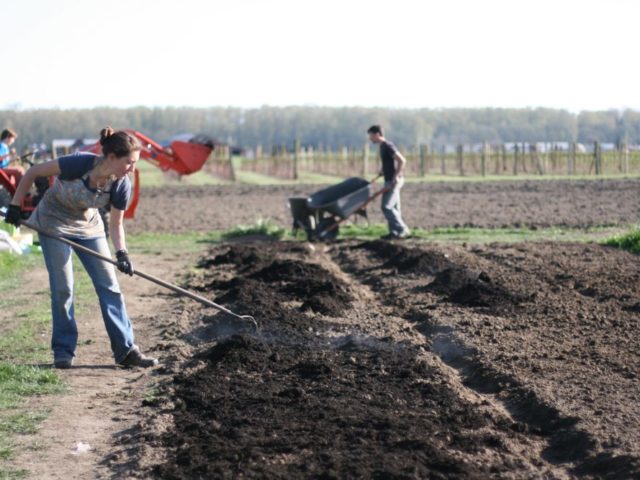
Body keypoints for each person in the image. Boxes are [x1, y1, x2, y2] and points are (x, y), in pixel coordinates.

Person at [5, 127, 158, 369]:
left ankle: (126, 350)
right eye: (129, 162)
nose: (132, 169)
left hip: (89, 226)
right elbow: (33, 171)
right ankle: (63, 351)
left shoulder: (121, 184)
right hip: (53, 221)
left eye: (135, 163)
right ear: (111, 158)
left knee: (110, 286)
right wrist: (15, 205)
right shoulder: (78, 164)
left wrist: (122, 253)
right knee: (64, 287)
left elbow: (116, 224)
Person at [367, 125, 411, 239]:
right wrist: (383, 171)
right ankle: (395, 233)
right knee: (395, 208)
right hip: (389, 179)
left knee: (386, 207)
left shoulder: (387, 145)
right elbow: (389, 162)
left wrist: (395, 176)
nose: (370, 138)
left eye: (371, 136)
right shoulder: (382, 147)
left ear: (377, 134)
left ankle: (402, 229)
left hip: (393, 180)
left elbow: (402, 160)